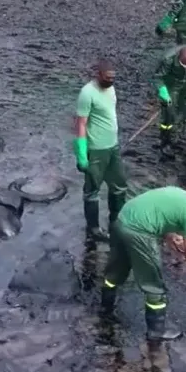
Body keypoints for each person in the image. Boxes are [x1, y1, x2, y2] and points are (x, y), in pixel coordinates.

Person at [101, 187, 186, 341]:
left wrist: (169, 235)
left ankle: (105, 307)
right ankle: (156, 332)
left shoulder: (181, 195)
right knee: (154, 282)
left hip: (122, 220)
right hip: (139, 232)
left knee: (116, 270)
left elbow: (158, 211)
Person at [74, 60, 127, 242]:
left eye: (113, 78)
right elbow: (80, 124)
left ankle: (116, 222)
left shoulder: (111, 89)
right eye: (107, 78)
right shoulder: (87, 93)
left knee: (119, 186)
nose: (110, 81)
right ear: (98, 75)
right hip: (96, 149)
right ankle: (93, 229)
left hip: (113, 147)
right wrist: (81, 153)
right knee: (92, 190)